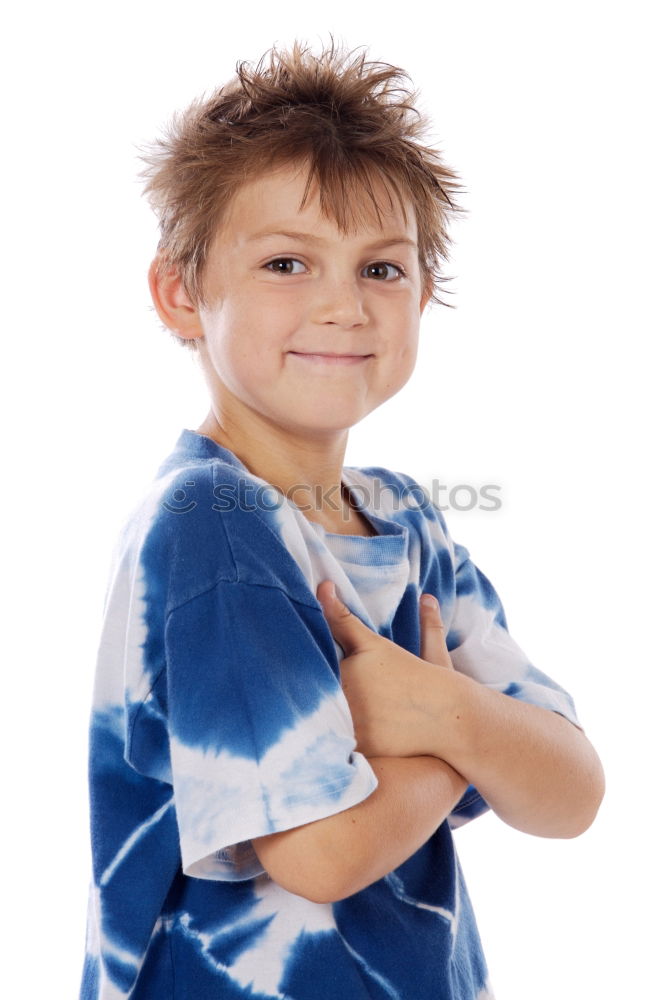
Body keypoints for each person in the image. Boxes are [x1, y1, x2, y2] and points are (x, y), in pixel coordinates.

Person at [79, 38, 605, 1000]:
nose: (343, 307)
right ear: (183, 293)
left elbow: (571, 790)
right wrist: (469, 735)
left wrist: (435, 710)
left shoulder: (406, 519)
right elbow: (318, 854)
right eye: (287, 262)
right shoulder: (215, 520)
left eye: (382, 270)